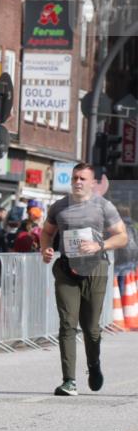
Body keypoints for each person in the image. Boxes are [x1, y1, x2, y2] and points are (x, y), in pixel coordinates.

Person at [40, 163, 129, 397]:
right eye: (74, 178)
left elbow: (122, 237)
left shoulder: (103, 206)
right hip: (66, 269)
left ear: (92, 183)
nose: (77, 182)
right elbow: (47, 232)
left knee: (91, 329)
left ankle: (94, 365)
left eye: (82, 178)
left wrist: (100, 245)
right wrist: (46, 250)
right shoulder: (59, 206)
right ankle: (69, 381)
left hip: (95, 269)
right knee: (67, 325)